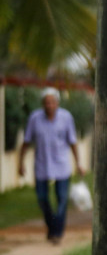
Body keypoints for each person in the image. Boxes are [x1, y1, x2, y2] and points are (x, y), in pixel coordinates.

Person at [17, 88, 85, 244]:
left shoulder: (66, 118)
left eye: (52, 102)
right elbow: (26, 142)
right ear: (42, 104)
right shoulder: (35, 118)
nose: (49, 105)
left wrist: (79, 163)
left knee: (62, 200)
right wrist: (20, 164)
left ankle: (57, 233)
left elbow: (73, 142)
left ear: (57, 103)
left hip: (62, 166)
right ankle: (52, 226)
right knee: (42, 199)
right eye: (46, 102)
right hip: (41, 165)